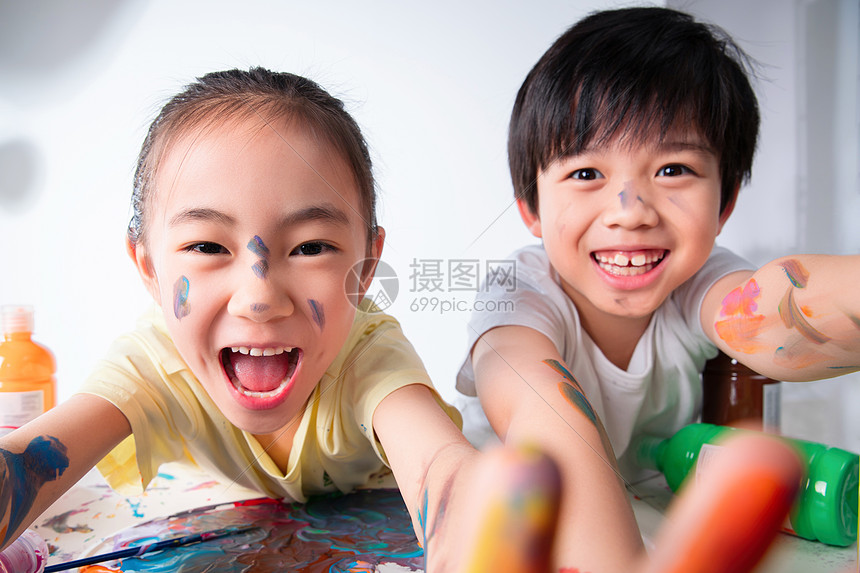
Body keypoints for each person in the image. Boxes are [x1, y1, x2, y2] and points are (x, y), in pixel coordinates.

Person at [0, 67, 487, 570]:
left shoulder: (367, 356)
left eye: (311, 247)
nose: (259, 299)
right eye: (207, 246)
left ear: (364, 267)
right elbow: (29, 462)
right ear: (148, 267)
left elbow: (441, 471)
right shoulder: (154, 361)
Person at [456, 6, 860, 572]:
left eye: (672, 169)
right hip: (514, 531)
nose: (631, 212)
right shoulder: (516, 293)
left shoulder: (702, 280)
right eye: (586, 174)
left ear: (724, 205)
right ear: (531, 209)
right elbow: (543, 417)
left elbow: (773, 319)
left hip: (653, 516)